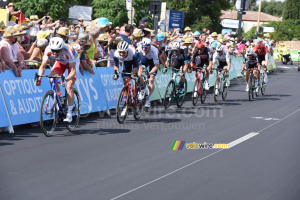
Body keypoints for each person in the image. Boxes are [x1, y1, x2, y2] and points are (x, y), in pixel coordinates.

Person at [36, 37, 77, 122]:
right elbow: (42, 66)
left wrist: (66, 79)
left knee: (69, 86)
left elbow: (73, 71)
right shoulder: (48, 50)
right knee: (52, 77)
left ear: (62, 49)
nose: (54, 53)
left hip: (72, 63)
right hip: (60, 63)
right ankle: (59, 97)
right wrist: (39, 78)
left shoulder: (69, 51)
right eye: (53, 51)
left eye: (57, 51)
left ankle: (69, 114)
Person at [113, 41, 143, 116]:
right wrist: (116, 74)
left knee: (136, 75)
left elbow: (140, 67)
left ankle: (141, 89)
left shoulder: (134, 53)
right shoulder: (116, 54)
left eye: (124, 52)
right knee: (125, 81)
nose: (122, 54)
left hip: (134, 61)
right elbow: (116, 66)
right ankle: (126, 104)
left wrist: (138, 76)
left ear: (127, 51)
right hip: (126, 62)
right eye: (120, 52)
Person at [136, 38, 159, 108]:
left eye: (146, 48)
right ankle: (141, 89)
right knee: (138, 74)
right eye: (143, 47)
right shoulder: (139, 49)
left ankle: (148, 99)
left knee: (151, 79)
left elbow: (156, 66)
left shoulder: (154, 51)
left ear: (150, 47)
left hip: (152, 62)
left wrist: (150, 73)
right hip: (144, 59)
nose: (144, 49)